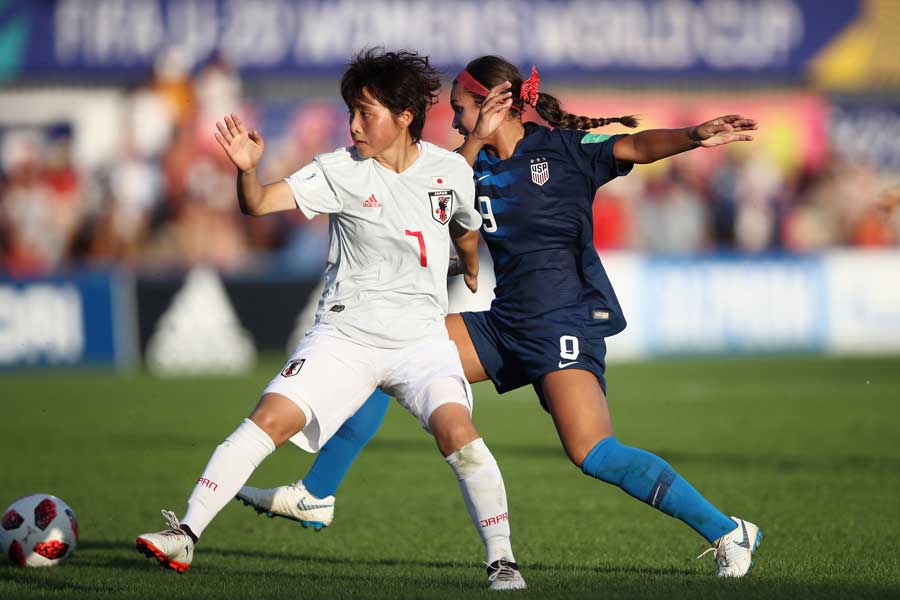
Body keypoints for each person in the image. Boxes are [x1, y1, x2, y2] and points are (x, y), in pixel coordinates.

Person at [239, 55, 762, 578]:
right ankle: (316, 493)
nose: (456, 120)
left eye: (461, 109)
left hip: (563, 324)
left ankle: (728, 531)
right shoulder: (467, 164)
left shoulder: (563, 150)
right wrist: (463, 254)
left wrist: (694, 135)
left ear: (492, 104)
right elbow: (428, 200)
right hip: (504, 322)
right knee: (389, 354)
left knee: (594, 453)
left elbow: (637, 145)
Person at [135, 50, 527, 591]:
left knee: (460, 437)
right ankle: (186, 532)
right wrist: (248, 172)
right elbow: (260, 205)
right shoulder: (340, 170)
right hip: (345, 339)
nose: (353, 125)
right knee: (267, 420)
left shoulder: (450, 170)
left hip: (420, 342)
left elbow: (462, 224)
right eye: (351, 112)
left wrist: (471, 261)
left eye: (366, 113)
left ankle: (502, 560)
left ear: (405, 116)